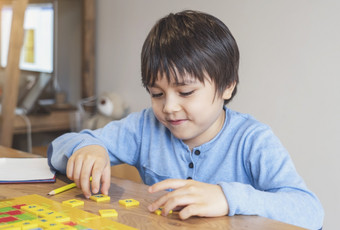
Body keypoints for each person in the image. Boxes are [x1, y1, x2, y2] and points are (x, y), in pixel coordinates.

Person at [48, 10, 324, 229]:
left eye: (186, 92)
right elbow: (58, 149)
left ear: (228, 86)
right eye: (156, 93)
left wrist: (227, 198)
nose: (169, 107)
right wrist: (86, 148)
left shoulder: (252, 139)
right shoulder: (145, 127)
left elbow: (310, 212)